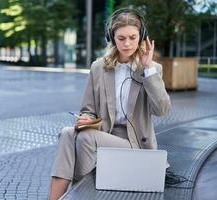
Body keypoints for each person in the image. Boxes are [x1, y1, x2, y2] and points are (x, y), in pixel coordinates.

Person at [48, 8, 171, 200]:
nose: (127, 43)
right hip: (103, 134)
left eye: (132, 37)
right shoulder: (99, 67)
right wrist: (86, 118)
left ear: (141, 37)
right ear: (112, 38)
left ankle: (80, 193)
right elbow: (88, 109)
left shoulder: (152, 69)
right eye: (121, 38)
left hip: (134, 143)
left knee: (85, 138)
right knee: (66, 134)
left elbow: (162, 110)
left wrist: (147, 70)